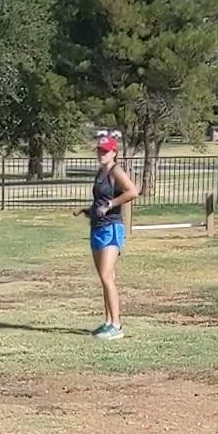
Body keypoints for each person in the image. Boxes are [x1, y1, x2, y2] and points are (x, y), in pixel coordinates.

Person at [79, 133, 138, 339]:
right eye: (100, 150)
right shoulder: (100, 172)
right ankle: (108, 322)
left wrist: (111, 205)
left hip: (111, 228)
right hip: (97, 226)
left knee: (107, 276)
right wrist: (88, 210)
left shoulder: (115, 171)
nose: (102, 154)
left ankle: (117, 326)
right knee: (105, 277)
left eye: (106, 151)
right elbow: (101, 199)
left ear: (114, 152)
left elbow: (132, 192)